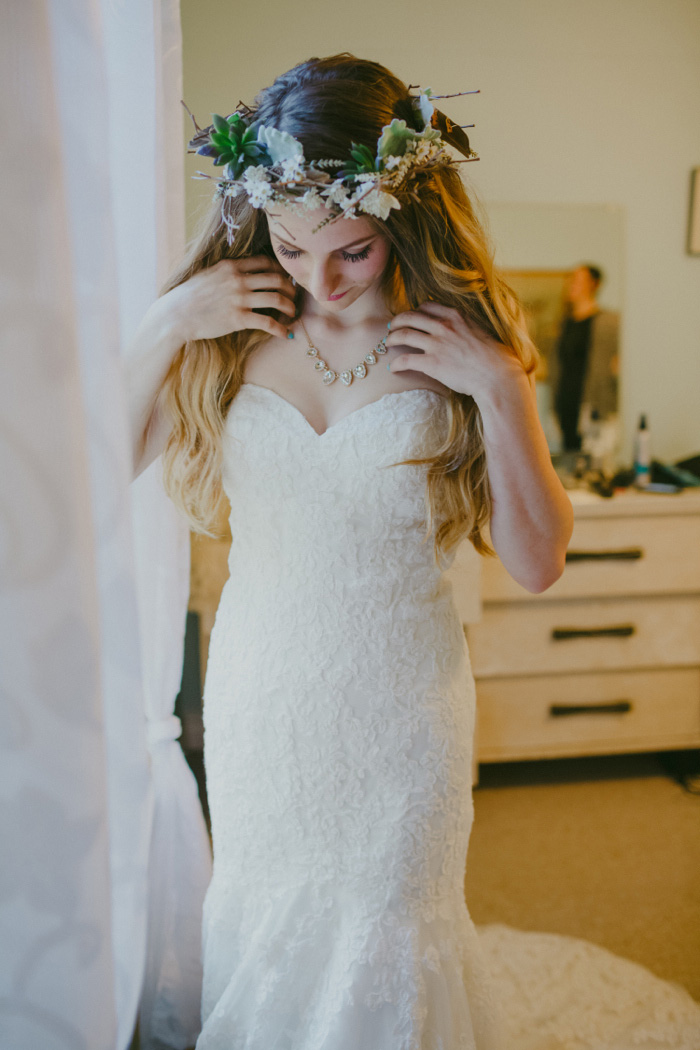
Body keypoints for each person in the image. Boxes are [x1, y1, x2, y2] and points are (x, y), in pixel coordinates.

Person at [125, 54, 700, 1050]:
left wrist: (503, 392)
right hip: (263, 697)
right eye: (292, 245)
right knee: (264, 911)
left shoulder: (460, 340)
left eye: (351, 250)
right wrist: (168, 318)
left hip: (402, 709)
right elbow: (104, 466)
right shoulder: (226, 327)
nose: (319, 278)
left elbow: (535, 564)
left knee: (388, 933)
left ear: (403, 215)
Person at [550, 263, 620, 451]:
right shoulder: (564, 323)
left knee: (594, 457)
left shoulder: (610, 322)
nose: (571, 285)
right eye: (570, 280)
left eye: (577, 280)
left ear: (594, 284)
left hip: (594, 404)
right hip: (565, 403)